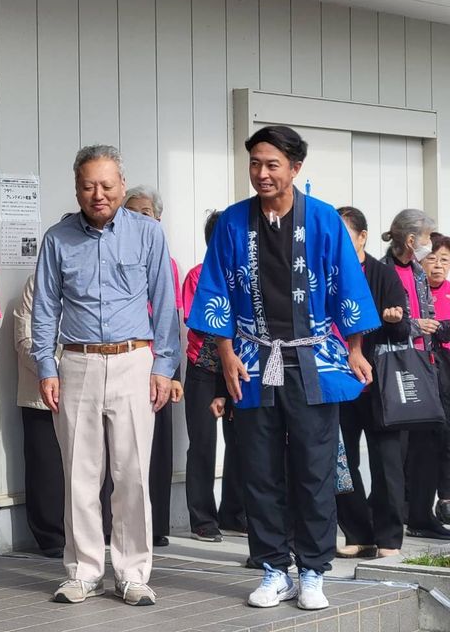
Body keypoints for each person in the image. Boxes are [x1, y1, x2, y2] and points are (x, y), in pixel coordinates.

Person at [187, 125, 378, 611]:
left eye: (272, 164)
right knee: (259, 468)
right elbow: (216, 294)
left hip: (313, 359)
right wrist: (226, 354)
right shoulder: (232, 223)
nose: (262, 173)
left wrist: (355, 348)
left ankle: (312, 571)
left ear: (295, 168)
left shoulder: (324, 221)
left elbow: (348, 287)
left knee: (315, 469)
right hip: (252, 359)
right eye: (255, 163)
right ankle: (273, 566)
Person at [32, 145, 180, 607]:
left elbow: (166, 304)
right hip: (75, 363)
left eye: (107, 185)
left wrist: (163, 366)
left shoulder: (147, 233)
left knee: (133, 472)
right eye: (88, 185)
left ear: (122, 184)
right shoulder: (57, 238)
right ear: (76, 187)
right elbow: (45, 308)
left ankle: (134, 573)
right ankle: (83, 571)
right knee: (79, 472)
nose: (98, 194)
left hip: (134, 361)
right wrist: (45, 365)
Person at [333, 206, 410, 559]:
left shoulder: (383, 274)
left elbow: (403, 327)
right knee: (342, 463)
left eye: (345, 238)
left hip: (378, 386)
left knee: (386, 465)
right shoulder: (325, 273)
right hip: (338, 383)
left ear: (363, 237)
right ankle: (357, 532)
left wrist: (393, 318)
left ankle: (389, 537)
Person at [379, 210, 450, 541]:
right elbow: (378, 320)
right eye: (426, 238)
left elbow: (427, 311)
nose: (429, 246)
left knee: (431, 441)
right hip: (392, 365)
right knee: (395, 450)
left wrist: (430, 326)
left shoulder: (419, 274)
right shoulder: (381, 271)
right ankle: (393, 517)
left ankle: (422, 515)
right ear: (410, 240)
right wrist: (411, 325)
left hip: (425, 363)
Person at [123, 185, 184, 547]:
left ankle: (156, 522)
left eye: (147, 213)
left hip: (158, 361)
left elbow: (171, 319)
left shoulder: (168, 263)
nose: (140, 219)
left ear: (158, 219)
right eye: (133, 212)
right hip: (124, 358)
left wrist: (172, 372)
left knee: (157, 444)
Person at [183, 210, 246, 543]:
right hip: (205, 370)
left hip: (241, 369)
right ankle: (202, 518)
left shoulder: (245, 275)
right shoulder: (197, 276)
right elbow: (202, 323)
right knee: (204, 444)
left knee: (242, 443)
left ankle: (234, 513)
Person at [14, 273, 66, 557]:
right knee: (45, 467)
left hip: (87, 388)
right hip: (41, 391)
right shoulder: (37, 281)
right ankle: (51, 536)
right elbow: (24, 338)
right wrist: (55, 369)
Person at [422, 234, 450, 526]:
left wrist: (438, 329)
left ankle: (446, 498)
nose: (438, 266)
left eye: (444, 260)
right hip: (422, 368)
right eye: (432, 258)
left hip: (447, 371)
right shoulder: (414, 291)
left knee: (446, 437)